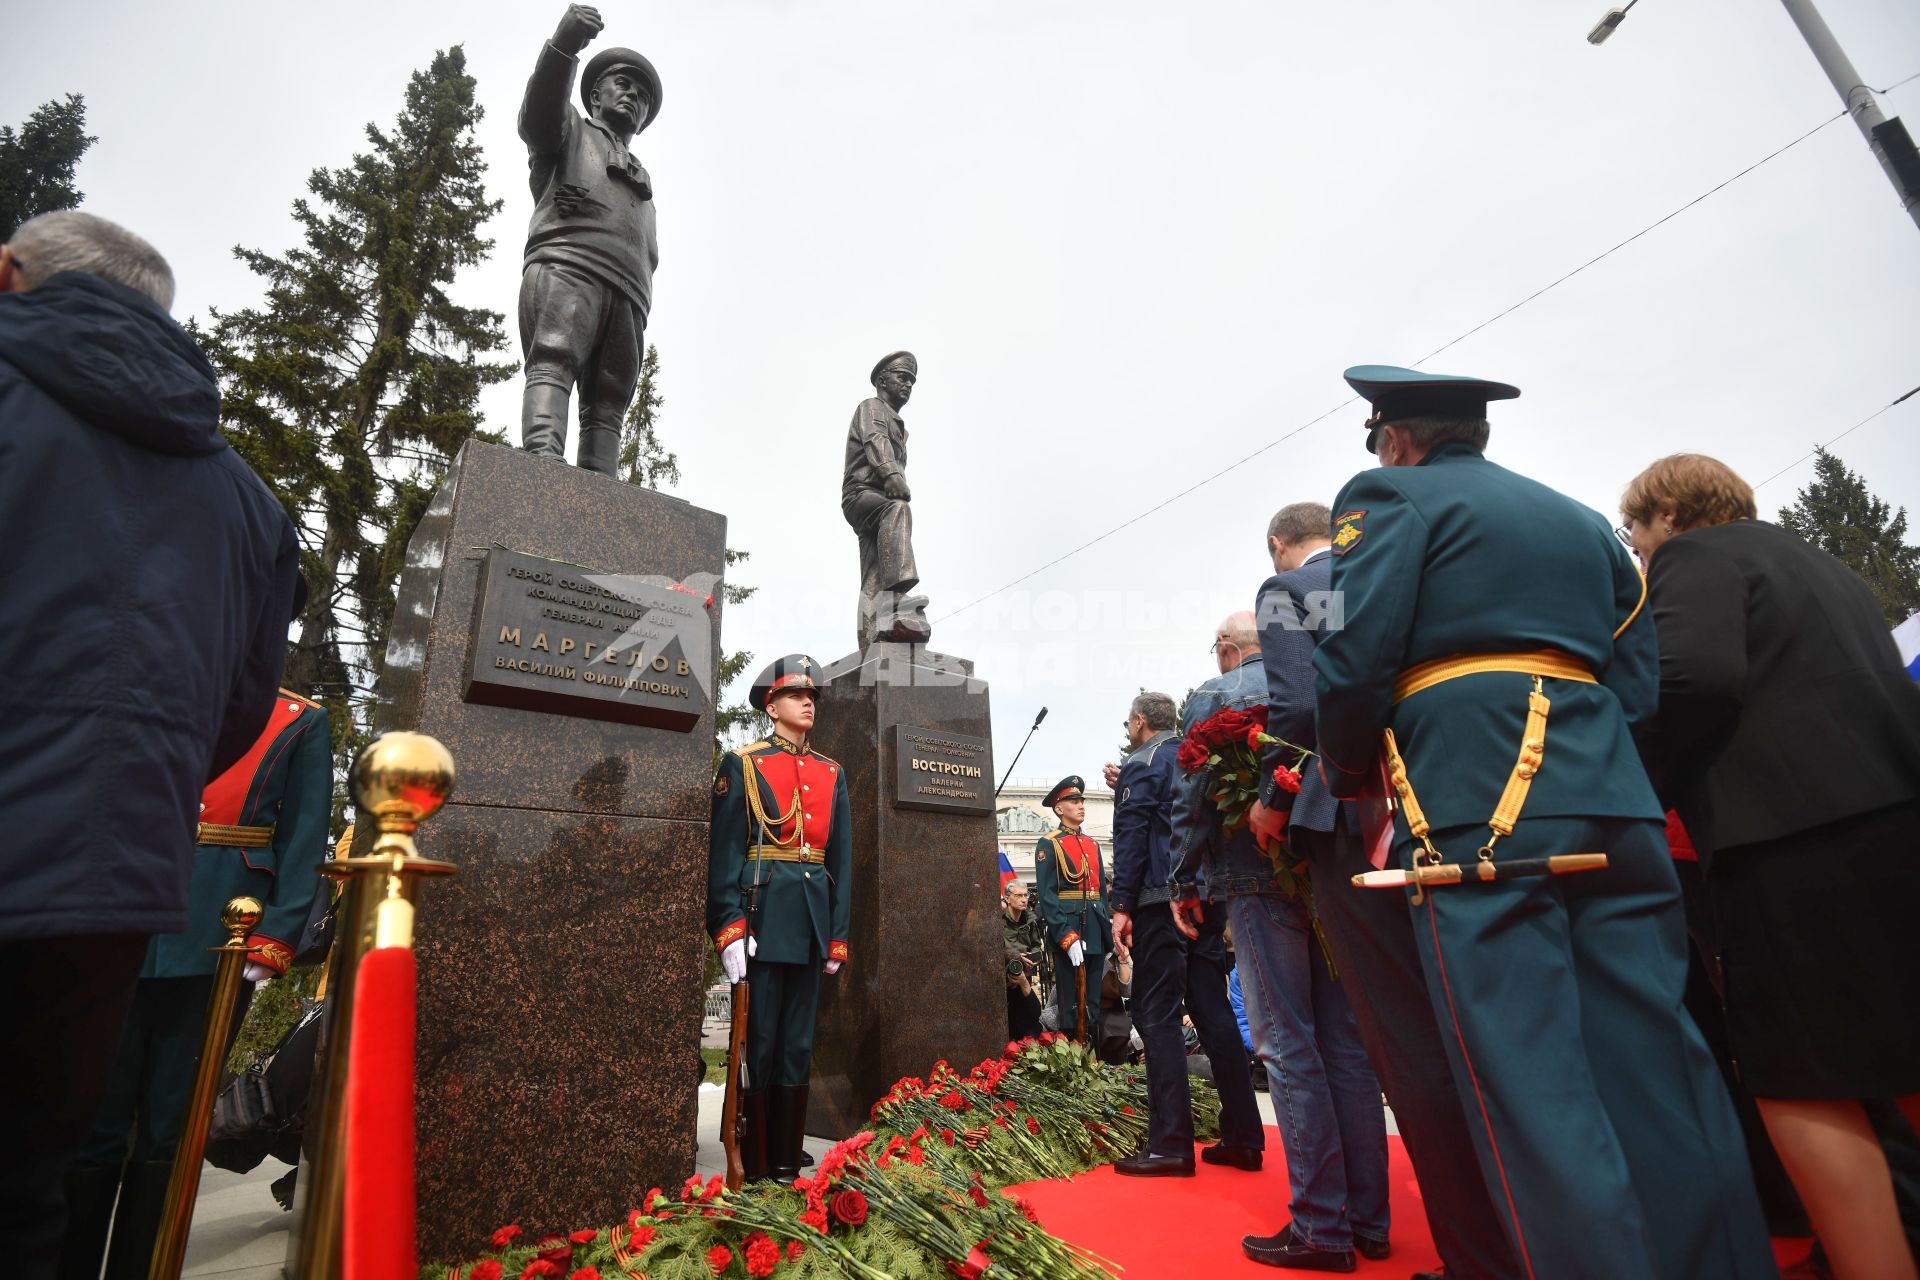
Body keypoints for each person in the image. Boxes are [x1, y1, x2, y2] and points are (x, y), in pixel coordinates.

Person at [1313, 365, 1773, 1280]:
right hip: (1608, 794)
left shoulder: (1385, 495)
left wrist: (1348, 769)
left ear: (1395, 438)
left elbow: (1356, 658)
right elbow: (1638, 679)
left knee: (1526, 1081)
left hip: (1476, 801)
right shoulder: (1581, 520)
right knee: (1657, 1066)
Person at [0, 210, 299, 1278]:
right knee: (32, 1188)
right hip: (114, 879)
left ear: (9, 272)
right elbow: (235, 704)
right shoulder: (249, 502)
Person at [1622, 453, 1920, 1280]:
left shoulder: (1694, 556)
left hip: (1789, 837)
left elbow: (1692, 676)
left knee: (1800, 1076)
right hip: (1894, 814)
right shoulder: (1819, 561)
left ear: (1666, 517)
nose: (1640, 553)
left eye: (1635, 534)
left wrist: (1632, 783)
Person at [1250, 503, 1518, 1280]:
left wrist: (1274, 794)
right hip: (1461, 804)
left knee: (1401, 1039)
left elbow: (1302, 708)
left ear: (1277, 545)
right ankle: (1446, 1230)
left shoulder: (1287, 590)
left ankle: (1468, 1253)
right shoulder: (1403, 575)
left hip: (1355, 816)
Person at [60, 689, 331, 1280]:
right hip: (115, 920)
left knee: (170, 1127)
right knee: (93, 1119)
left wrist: (277, 933)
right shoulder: (140, 694)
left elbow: (304, 831)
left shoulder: (297, 719)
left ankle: (144, 1266)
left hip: (219, 932)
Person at [1171, 612, 1388, 1271]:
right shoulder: (1320, 675)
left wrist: (1182, 875)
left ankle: (1321, 1228)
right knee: (1345, 1046)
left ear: (1229, 650)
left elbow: (1194, 796)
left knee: (1288, 1045)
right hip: (1327, 870)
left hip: (1253, 876)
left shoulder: (1216, 695)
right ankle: (1369, 1222)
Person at [706, 655, 851, 1183]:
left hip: (810, 923)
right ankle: (757, 1161)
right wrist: (729, 929)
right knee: (759, 1042)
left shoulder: (831, 772)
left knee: (798, 1044)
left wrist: (837, 937)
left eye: (812, 695)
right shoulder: (742, 763)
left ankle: (787, 1161)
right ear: (772, 705)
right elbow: (725, 854)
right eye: (796, 695)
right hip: (762, 921)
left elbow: (840, 863)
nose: (808, 702)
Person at [1109, 692, 1264, 1178]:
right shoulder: (1196, 753)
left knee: (1156, 1016)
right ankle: (1243, 1136)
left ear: (1138, 722)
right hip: (1208, 895)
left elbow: (1133, 840)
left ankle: (1170, 1144)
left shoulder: (1143, 761)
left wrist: (1120, 906)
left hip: (1160, 899)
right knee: (1212, 1009)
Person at [517, 3, 664, 474]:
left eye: (642, 96)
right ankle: (542, 460)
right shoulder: (571, 131)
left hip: (628, 294)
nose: (633, 97)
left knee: (609, 400)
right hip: (570, 264)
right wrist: (563, 46)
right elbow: (537, 114)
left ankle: (600, 489)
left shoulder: (643, 176)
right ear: (595, 95)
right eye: (623, 85)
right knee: (554, 359)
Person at [841, 351, 929, 646]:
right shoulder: (872, 407)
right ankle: (897, 597)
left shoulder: (902, 429)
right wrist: (892, 475)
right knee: (897, 509)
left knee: (874, 571)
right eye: (902, 378)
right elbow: (875, 440)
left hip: (875, 500)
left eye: (912, 382)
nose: (908, 386)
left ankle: (870, 640)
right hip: (862, 495)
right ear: (882, 381)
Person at [1031, 777, 1111, 1043]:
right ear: (1058, 808)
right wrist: (1065, 933)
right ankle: (1073, 1059)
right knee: (1070, 1001)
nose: (1080, 806)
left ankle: (1093, 1058)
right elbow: (1048, 894)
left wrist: (1106, 932)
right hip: (1069, 927)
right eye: (1073, 801)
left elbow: (1101, 893)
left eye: (1081, 801)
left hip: (1095, 928)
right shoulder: (1049, 843)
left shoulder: (1092, 844)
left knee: (1093, 1000)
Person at [1001, 879, 1046, 1040]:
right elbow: (994, 947)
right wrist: (1015, 955)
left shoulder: (1030, 919)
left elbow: (1035, 944)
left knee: (1030, 1023)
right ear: (1007, 898)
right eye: (1018, 895)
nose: (1024, 899)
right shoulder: (999, 919)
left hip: (1024, 977)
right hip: (1003, 981)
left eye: (1025, 895)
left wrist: (1034, 958)